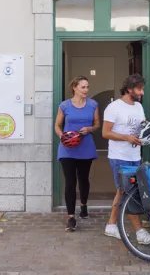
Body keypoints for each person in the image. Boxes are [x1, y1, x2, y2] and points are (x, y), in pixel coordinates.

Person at [102, 73, 150, 245]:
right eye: (139, 89)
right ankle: (139, 232)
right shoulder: (114, 107)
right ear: (129, 89)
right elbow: (105, 133)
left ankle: (111, 225)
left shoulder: (138, 107)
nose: (142, 93)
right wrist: (126, 137)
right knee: (127, 192)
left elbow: (141, 126)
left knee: (124, 192)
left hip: (135, 156)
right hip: (119, 157)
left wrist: (146, 130)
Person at [55, 76, 100, 232]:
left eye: (87, 87)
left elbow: (97, 124)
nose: (86, 90)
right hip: (67, 148)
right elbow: (57, 125)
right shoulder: (64, 105)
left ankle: (84, 205)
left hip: (85, 146)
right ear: (74, 87)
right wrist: (63, 137)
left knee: (83, 178)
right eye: (83, 87)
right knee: (70, 181)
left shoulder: (93, 105)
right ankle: (71, 217)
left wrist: (90, 129)